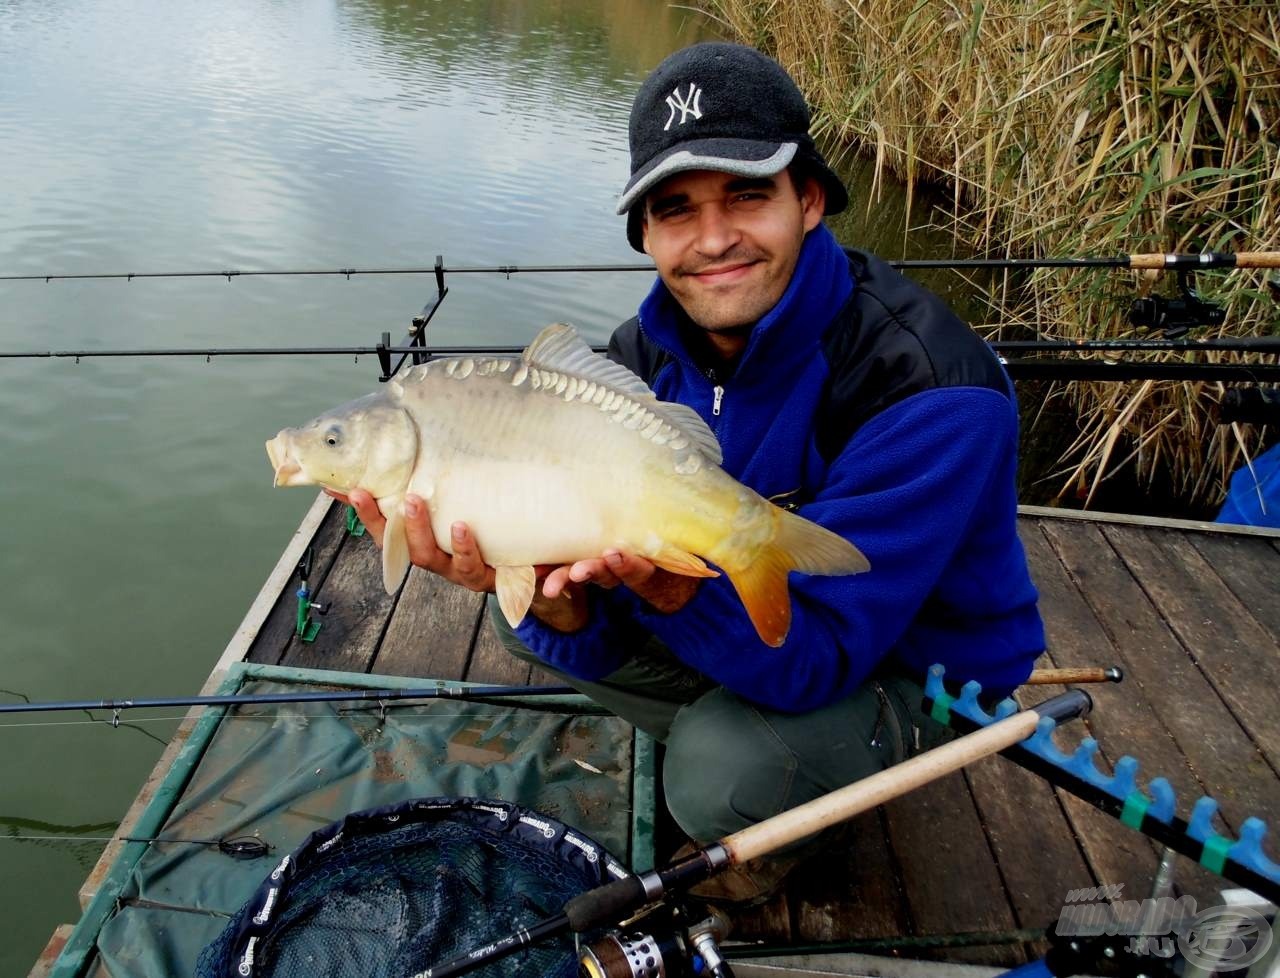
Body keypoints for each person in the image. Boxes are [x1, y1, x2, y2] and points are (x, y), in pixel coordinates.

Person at [338, 41, 1045, 901]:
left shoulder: (930, 387)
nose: (714, 240)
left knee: (721, 771)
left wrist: (673, 598)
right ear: (645, 233)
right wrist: (559, 598)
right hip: (743, 596)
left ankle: (792, 798)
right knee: (531, 625)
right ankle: (757, 727)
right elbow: (585, 604)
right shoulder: (640, 361)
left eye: (748, 195)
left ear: (810, 199)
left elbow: (819, 654)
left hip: (917, 668)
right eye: (676, 210)